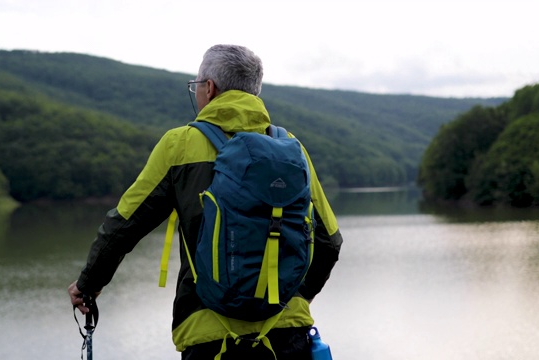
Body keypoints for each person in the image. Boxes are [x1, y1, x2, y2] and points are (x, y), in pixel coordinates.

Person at [68, 44, 343, 360]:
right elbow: (329, 242)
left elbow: (122, 227)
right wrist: (295, 296)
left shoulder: (181, 145)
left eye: (196, 86)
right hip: (288, 336)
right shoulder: (293, 150)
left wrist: (88, 285)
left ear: (209, 89)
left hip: (209, 336)